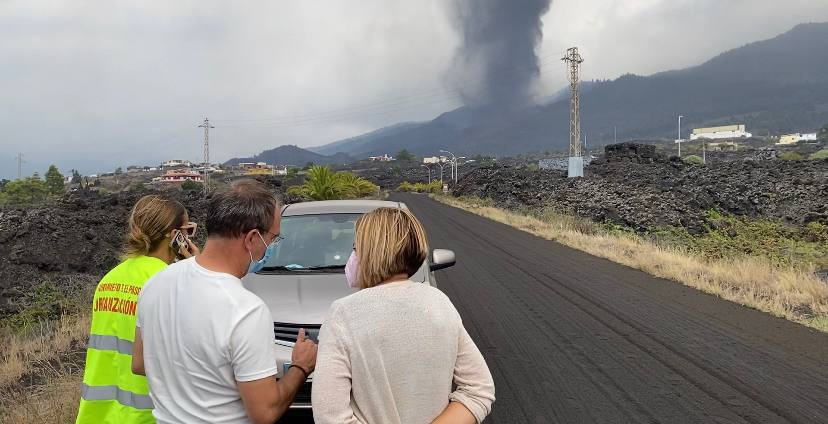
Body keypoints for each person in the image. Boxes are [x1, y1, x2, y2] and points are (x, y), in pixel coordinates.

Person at [132, 179, 317, 423]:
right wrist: (301, 366)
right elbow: (265, 412)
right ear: (252, 239)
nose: (271, 248)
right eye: (273, 239)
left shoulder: (155, 284)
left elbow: (140, 363)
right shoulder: (245, 310)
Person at [312, 207, 495, 424]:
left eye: (356, 248)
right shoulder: (439, 302)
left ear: (371, 252)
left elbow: (330, 417)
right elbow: (479, 389)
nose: (353, 257)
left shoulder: (343, 314)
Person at [76, 195, 200, 424]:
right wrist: (200, 272)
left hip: (99, 414)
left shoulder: (109, 280)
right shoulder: (170, 281)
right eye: (188, 231)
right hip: (147, 414)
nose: (191, 238)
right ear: (175, 236)